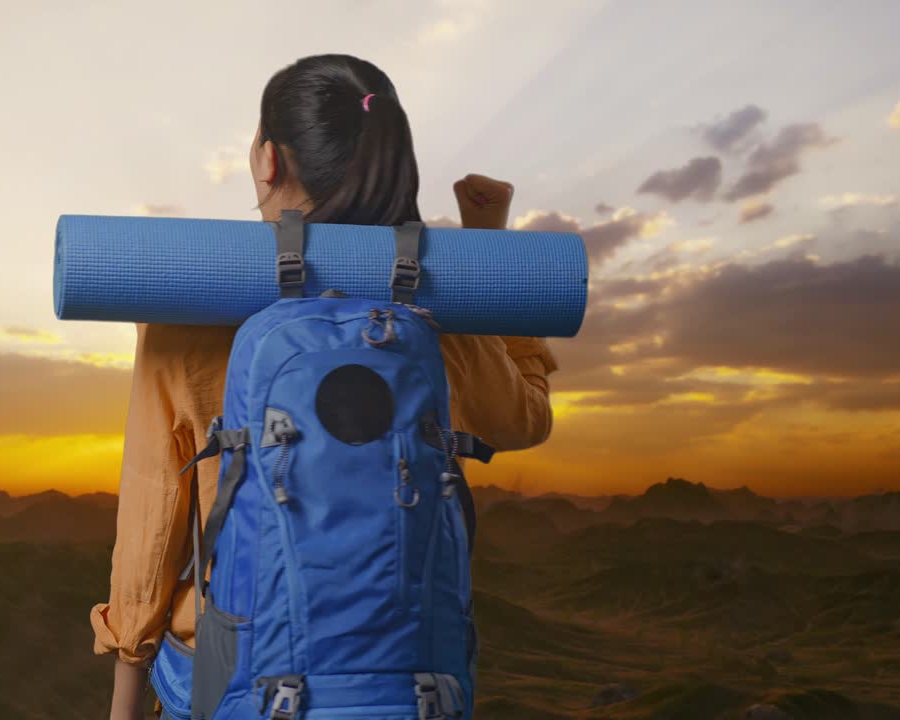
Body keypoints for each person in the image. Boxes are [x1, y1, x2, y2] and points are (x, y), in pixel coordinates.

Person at [90, 54, 559, 720]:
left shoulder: (186, 302)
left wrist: (127, 691)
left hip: (237, 676)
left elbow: (153, 513)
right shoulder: (434, 306)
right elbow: (524, 419)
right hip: (404, 682)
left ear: (268, 160)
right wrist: (491, 252)